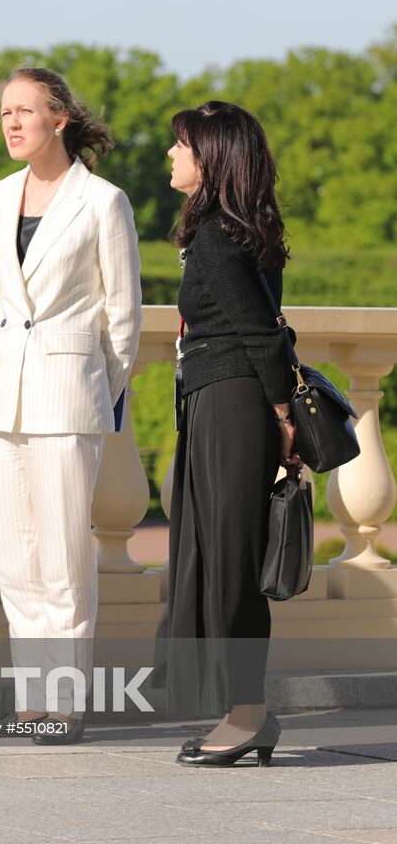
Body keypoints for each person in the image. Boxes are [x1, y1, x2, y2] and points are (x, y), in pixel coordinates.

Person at [0, 67, 142, 745]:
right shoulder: (2, 193)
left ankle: (64, 704)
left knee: (65, 557)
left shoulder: (104, 203)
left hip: (67, 399)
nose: (11, 123)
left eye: (25, 111)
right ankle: (30, 700)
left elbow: (123, 322)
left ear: (60, 119)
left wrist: (92, 391)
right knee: (12, 558)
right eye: (4, 112)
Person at [163, 101, 296, 767]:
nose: (171, 156)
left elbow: (260, 335)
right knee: (225, 562)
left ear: (210, 158)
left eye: (180, 146)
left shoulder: (216, 238)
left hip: (232, 409)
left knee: (231, 567)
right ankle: (244, 713)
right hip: (223, 405)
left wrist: (281, 417)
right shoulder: (241, 233)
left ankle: (246, 715)